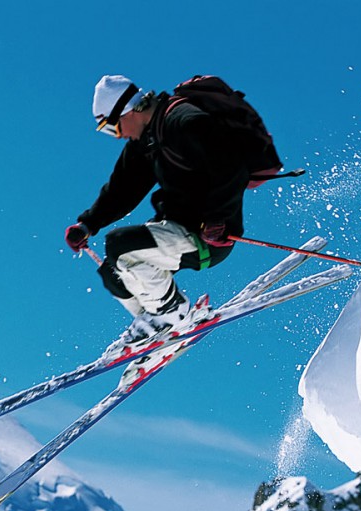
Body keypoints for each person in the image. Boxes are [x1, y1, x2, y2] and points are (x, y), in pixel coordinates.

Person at [65, 74, 271, 336]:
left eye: (111, 127)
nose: (116, 136)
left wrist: (218, 218)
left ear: (128, 112)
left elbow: (232, 166)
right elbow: (121, 190)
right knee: (111, 270)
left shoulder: (183, 121)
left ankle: (172, 314)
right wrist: (87, 224)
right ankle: (149, 326)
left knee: (120, 246)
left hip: (209, 234)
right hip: (177, 228)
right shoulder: (147, 140)